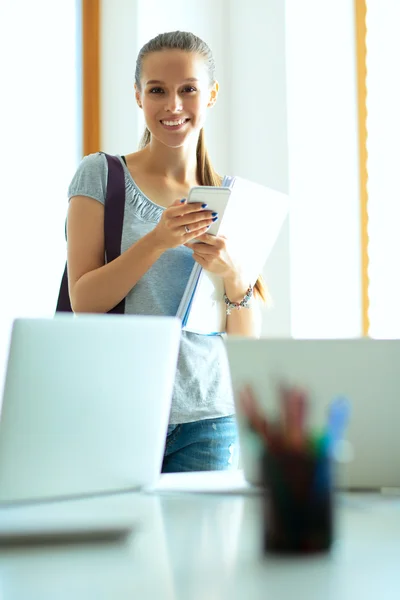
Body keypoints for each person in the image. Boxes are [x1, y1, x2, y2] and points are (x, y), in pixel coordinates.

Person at [66, 30, 267, 473]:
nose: (173, 105)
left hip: (209, 418)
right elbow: (84, 300)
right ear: (138, 96)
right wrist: (157, 240)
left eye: (188, 90)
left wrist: (234, 276)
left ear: (211, 94)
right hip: (120, 410)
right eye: (157, 90)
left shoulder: (231, 199)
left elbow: (245, 342)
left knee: (200, 544)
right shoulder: (101, 176)